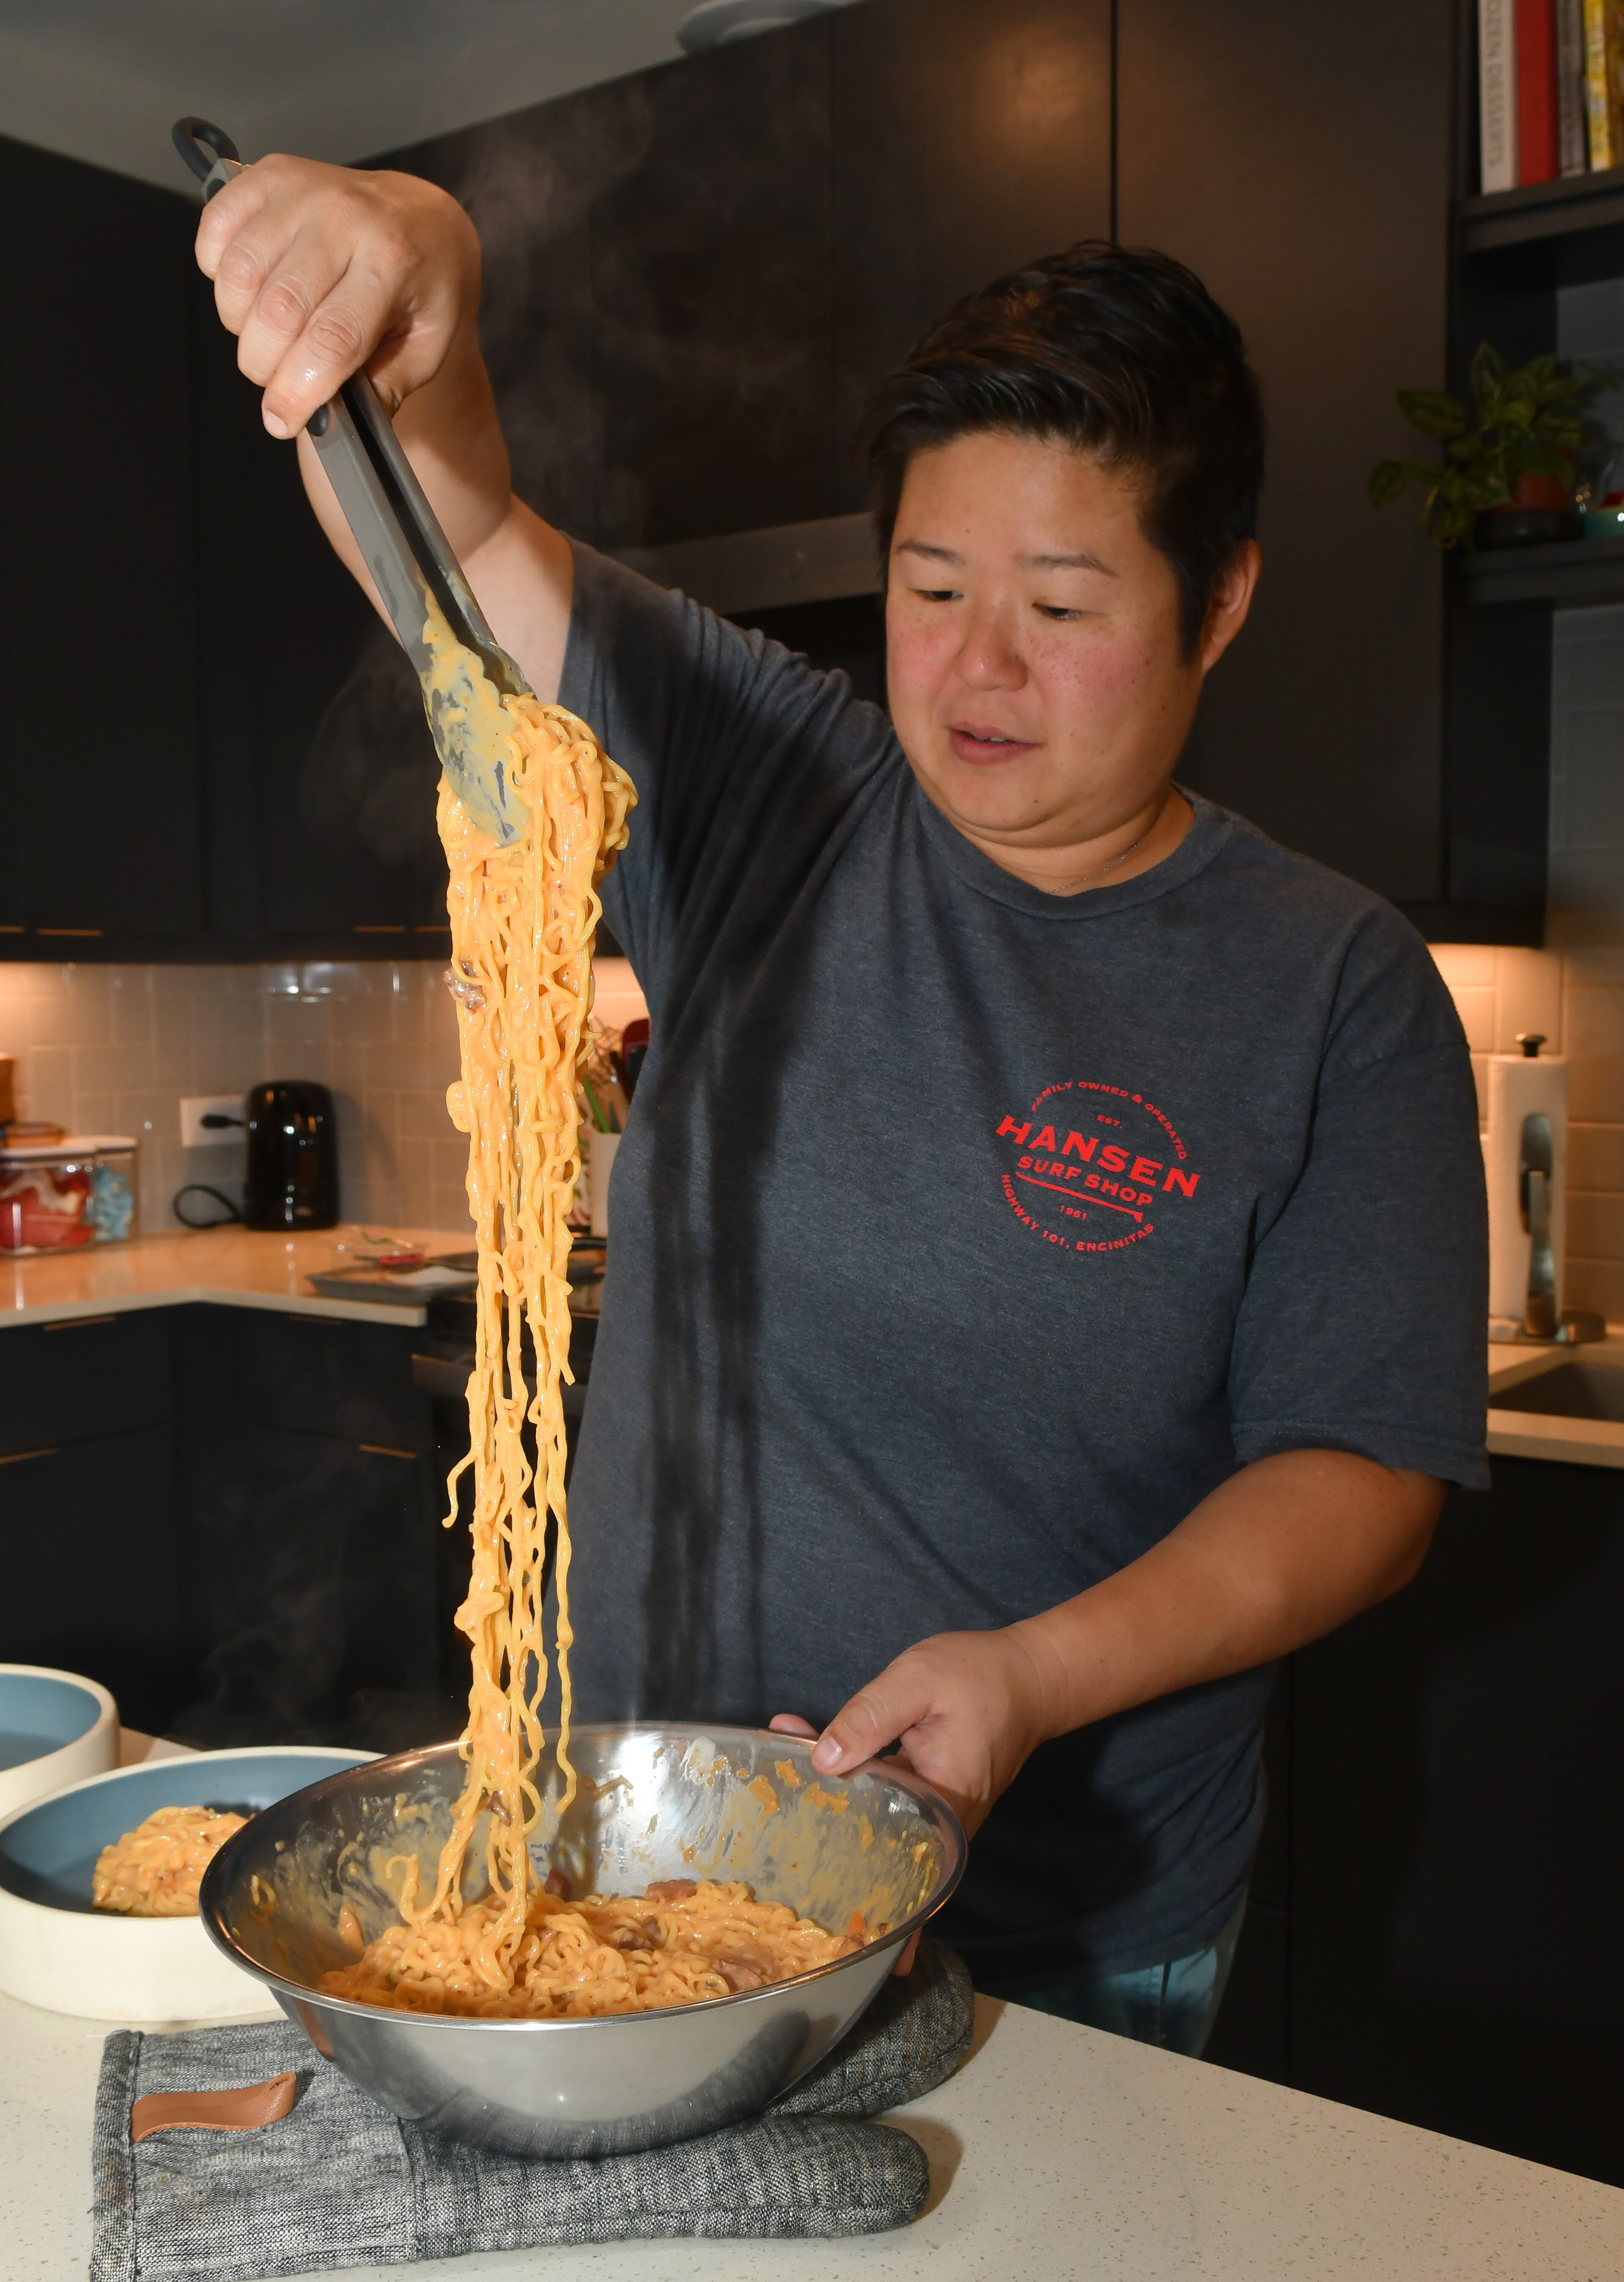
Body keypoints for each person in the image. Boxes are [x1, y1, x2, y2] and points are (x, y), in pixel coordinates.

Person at [193, 158, 1487, 2055]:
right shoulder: (775, 789)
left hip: (1058, 1934)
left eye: (1059, 601)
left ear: (1221, 603)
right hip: (619, 1868)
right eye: (932, 582)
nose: (974, 665)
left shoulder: (1335, 983)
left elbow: (1364, 1474)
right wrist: (427, 292)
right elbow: (451, 546)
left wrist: (1033, 1674)